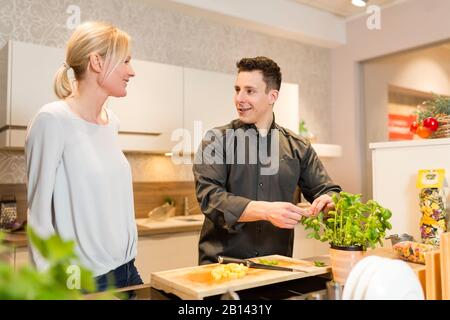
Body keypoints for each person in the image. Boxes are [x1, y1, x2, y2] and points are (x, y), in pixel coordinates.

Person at [25, 21, 143, 291]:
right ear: (97, 62)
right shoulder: (52, 120)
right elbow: (39, 217)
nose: (132, 71)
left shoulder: (111, 121)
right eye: (125, 61)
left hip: (127, 270)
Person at [193, 56, 342, 265]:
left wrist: (330, 202)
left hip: (276, 268)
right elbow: (210, 198)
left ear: (272, 96)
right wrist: (265, 211)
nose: (239, 98)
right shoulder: (215, 140)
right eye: (237, 89)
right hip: (221, 266)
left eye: (249, 91)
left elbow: (328, 191)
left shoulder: (299, 146)